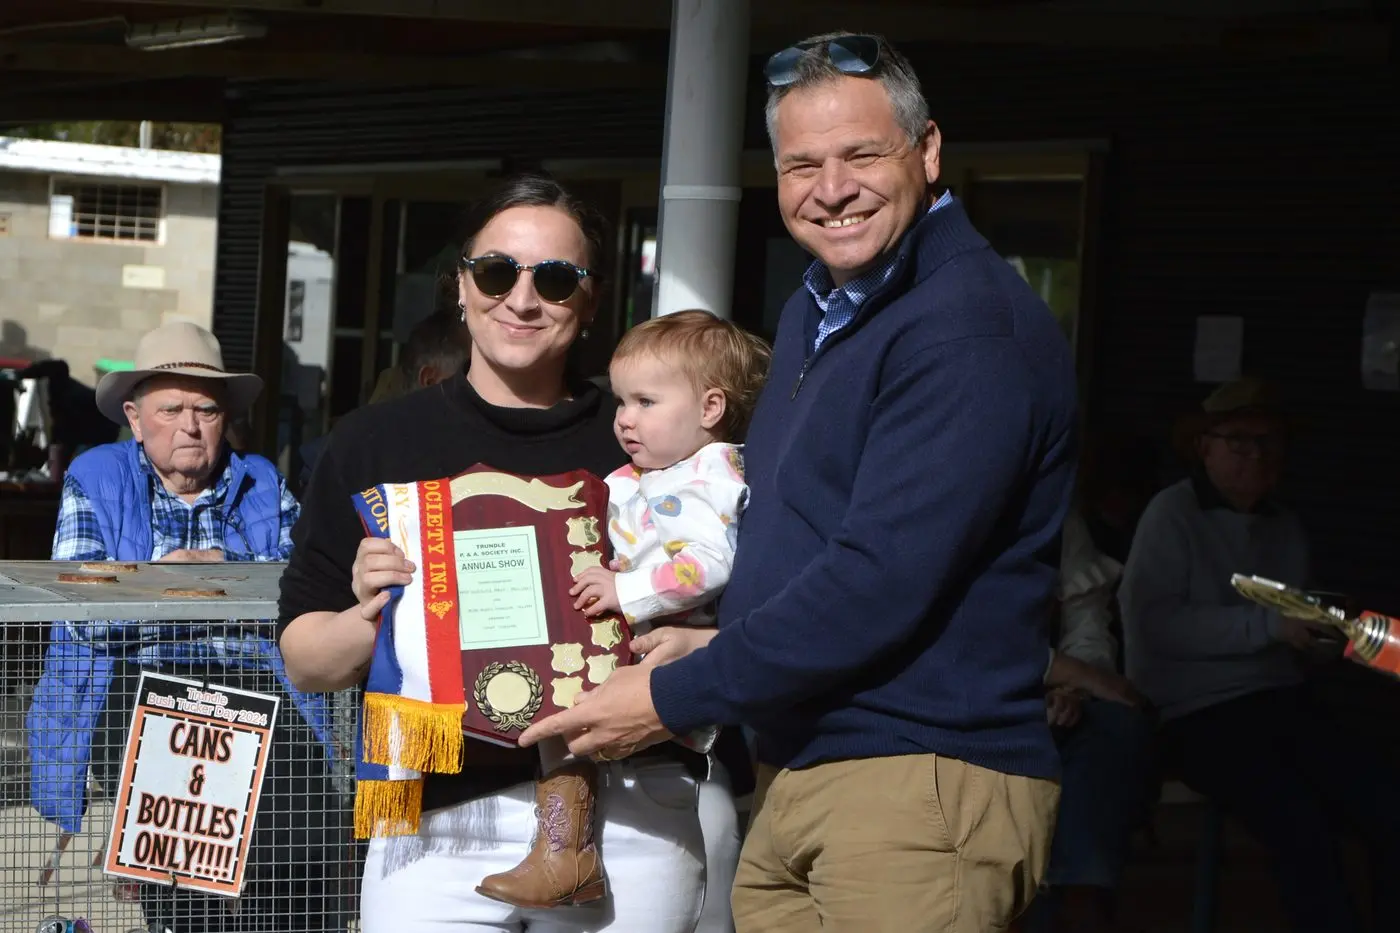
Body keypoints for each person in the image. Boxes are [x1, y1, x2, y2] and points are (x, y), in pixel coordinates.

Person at [522, 32, 1077, 933]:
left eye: (862, 154)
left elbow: (878, 579)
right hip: (810, 768)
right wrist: (718, 641)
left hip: (918, 781)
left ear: (928, 151)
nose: (831, 188)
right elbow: (809, 536)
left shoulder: (965, 330)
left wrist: (671, 699)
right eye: (800, 164)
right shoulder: (820, 306)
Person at [276, 174, 709, 933]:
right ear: (461, 284)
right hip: (432, 812)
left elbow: (742, 603)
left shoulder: (649, 437)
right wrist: (377, 615)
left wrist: (695, 640)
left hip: (628, 807)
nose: (522, 299)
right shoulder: (376, 441)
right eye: (497, 271)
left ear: (594, 296)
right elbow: (308, 659)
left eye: (556, 278)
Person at [26, 320, 346, 933]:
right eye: (170, 408)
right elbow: (83, 615)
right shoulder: (94, 477)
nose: (190, 425)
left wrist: (206, 578)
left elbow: (307, 589)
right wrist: (172, 581)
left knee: (305, 833)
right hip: (131, 683)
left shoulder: (263, 482)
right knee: (187, 845)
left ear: (226, 417)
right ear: (135, 416)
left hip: (254, 680)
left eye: (206, 408)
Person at [475, 309, 769, 913]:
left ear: (710, 410)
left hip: (665, 652)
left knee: (562, 712)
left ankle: (565, 854)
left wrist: (626, 591)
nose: (625, 419)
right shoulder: (655, 476)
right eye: (620, 403)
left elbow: (707, 566)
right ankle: (564, 851)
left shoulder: (705, 477)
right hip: (647, 645)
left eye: (645, 402)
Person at [1120, 378, 1400, 933]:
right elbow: (1154, 626)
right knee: (1299, 823)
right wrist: (1271, 626)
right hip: (1195, 713)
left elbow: (1293, 633)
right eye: (1240, 442)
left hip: (1281, 699)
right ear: (1205, 447)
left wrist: (1324, 639)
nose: (1258, 455)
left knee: (1386, 805)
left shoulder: (1284, 525)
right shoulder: (1171, 514)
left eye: (1270, 442)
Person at [1028, 508, 1156, 933]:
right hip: (959, 691)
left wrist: (1074, 690)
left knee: (1118, 725)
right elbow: (963, 642)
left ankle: (1083, 893)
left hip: (1052, 687)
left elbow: (1087, 621)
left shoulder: (1058, 510)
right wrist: (1070, 674)